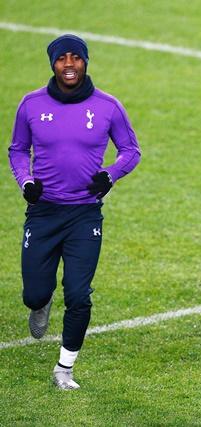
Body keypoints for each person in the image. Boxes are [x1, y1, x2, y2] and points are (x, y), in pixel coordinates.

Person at [8, 34, 141, 389]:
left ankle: (64, 368)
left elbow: (131, 150)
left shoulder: (108, 106)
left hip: (84, 215)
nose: (69, 65)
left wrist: (110, 175)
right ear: (52, 64)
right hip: (44, 213)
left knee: (79, 294)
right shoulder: (31, 104)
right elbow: (18, 150)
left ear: (85, 61)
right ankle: (41, 301)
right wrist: (26, 181)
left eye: (76, 58)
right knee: (34, 294)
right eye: (61, 58)